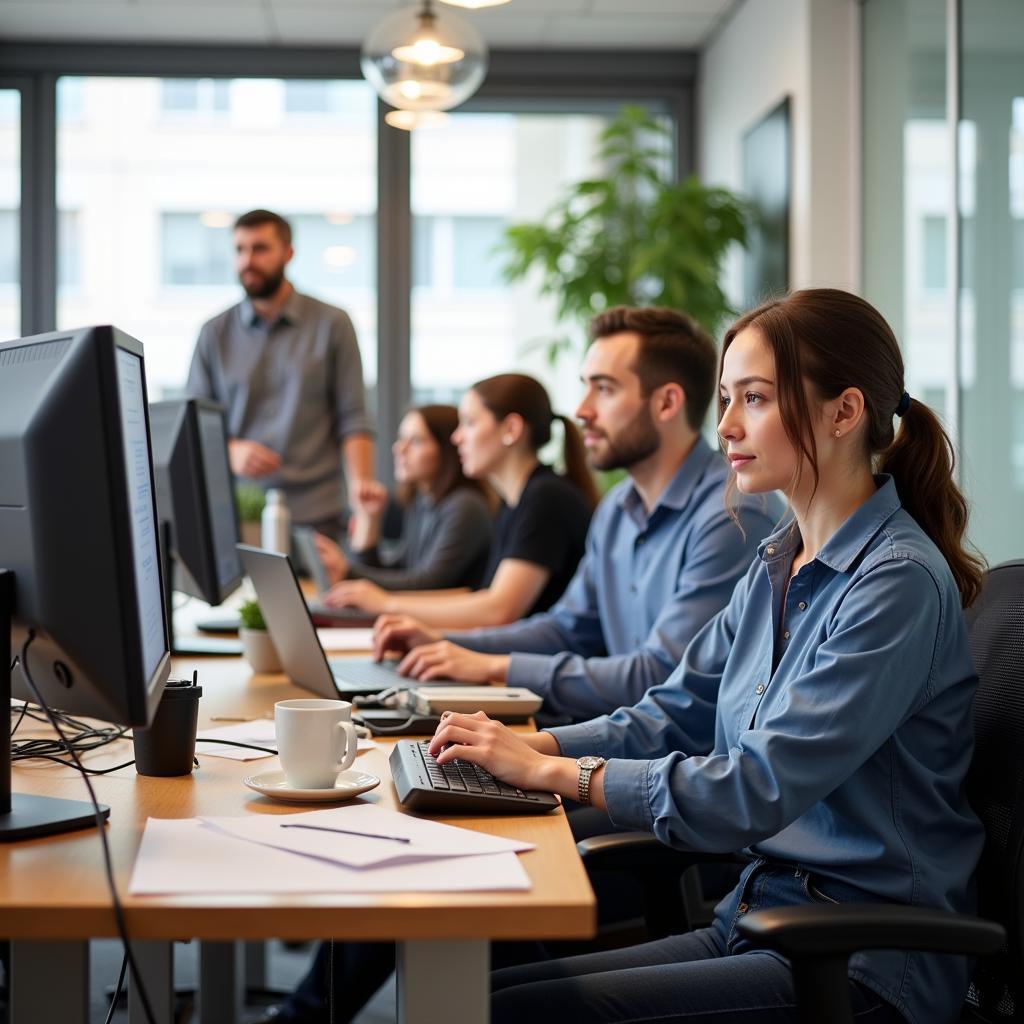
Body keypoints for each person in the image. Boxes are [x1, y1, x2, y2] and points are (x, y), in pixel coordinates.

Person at [427, 288, 987, 1024]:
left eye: (752, 399)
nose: (724, 426)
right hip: (757, 917)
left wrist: (558, 773)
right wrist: (525, 747)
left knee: (512, 1013)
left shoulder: (896, 584)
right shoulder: (774, 563)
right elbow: (672, 710)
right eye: (726, 398)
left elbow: (754, 787)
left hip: (861, 964)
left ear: (844, 412)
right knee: (481, 998)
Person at [373, 306, 781, 723]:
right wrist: (447, 642)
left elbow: (661, 673)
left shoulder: (733, 515)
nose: (581, 410)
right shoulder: (617, 509)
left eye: (603, 389)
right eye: (585, 387)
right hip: (617, 737)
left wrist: (496, 666)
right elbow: (566, 629)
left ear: (666, 403)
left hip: (667, 762)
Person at [320, 372, 597, 626]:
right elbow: (479, 597)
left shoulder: (545, 498)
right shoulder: (516, 502)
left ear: (511, 430)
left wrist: (386, 603)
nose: (456, 437)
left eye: (469, 423)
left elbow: (498, 610)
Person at [186, 209, 376, 539]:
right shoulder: (213, 334)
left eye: (260, 248)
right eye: (240, 250)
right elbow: (192, 424)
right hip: (239, 512)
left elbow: (353, 418)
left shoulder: (333, 325)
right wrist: (230, 451)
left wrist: (361, 493)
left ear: (288, 253)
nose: (248, 260)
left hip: (317, 513)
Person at [312, 404, 493, 591]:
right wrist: (370, 520)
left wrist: (348, 572)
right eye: (401, 439)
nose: (399, 448)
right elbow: (400, 571)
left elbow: (429, 583)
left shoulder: (465, 506)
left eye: (415, 441)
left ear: (447, 449)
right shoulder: (423, 502)